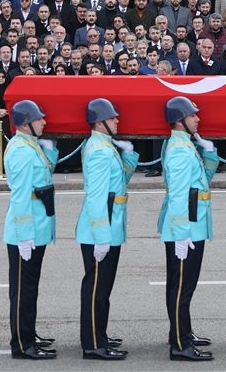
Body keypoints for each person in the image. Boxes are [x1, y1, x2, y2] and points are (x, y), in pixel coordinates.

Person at [77, 98, 139, 360]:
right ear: (100, 123)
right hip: (100, 231)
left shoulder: (104, 146)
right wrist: (102, 237)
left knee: (103, 289)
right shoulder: (100, 151)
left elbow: (119, 182)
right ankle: (93, 343)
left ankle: (98, 334)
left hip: (109, 226)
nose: (117, 121)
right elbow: (97, 197)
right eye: (113, 118)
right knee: (97, 290)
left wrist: (129, 155)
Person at [158, 96, 219, 361]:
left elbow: (202, 180)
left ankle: (182, 332)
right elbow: (180, 196)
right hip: (186, 229)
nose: (198, 119)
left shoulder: (186, 145)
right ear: (179, 121)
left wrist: (209, 152)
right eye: (193, 115)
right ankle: (180, 345)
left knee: (181, 285)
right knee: (182, 287)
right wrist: (182, 234)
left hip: (191, 225)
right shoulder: (180, 150)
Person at [3, 100, 59, 360]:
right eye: (40, 119)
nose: (44, 122)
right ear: (25, 124)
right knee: (23, 289)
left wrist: (49, 150)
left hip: (37, 228)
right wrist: (25, 235)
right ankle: (22, 344)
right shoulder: (22, 151)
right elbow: (22, 196)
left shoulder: (29, 145)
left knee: (30, 287)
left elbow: (45, 173)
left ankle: (28, 332)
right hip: (26, 231)